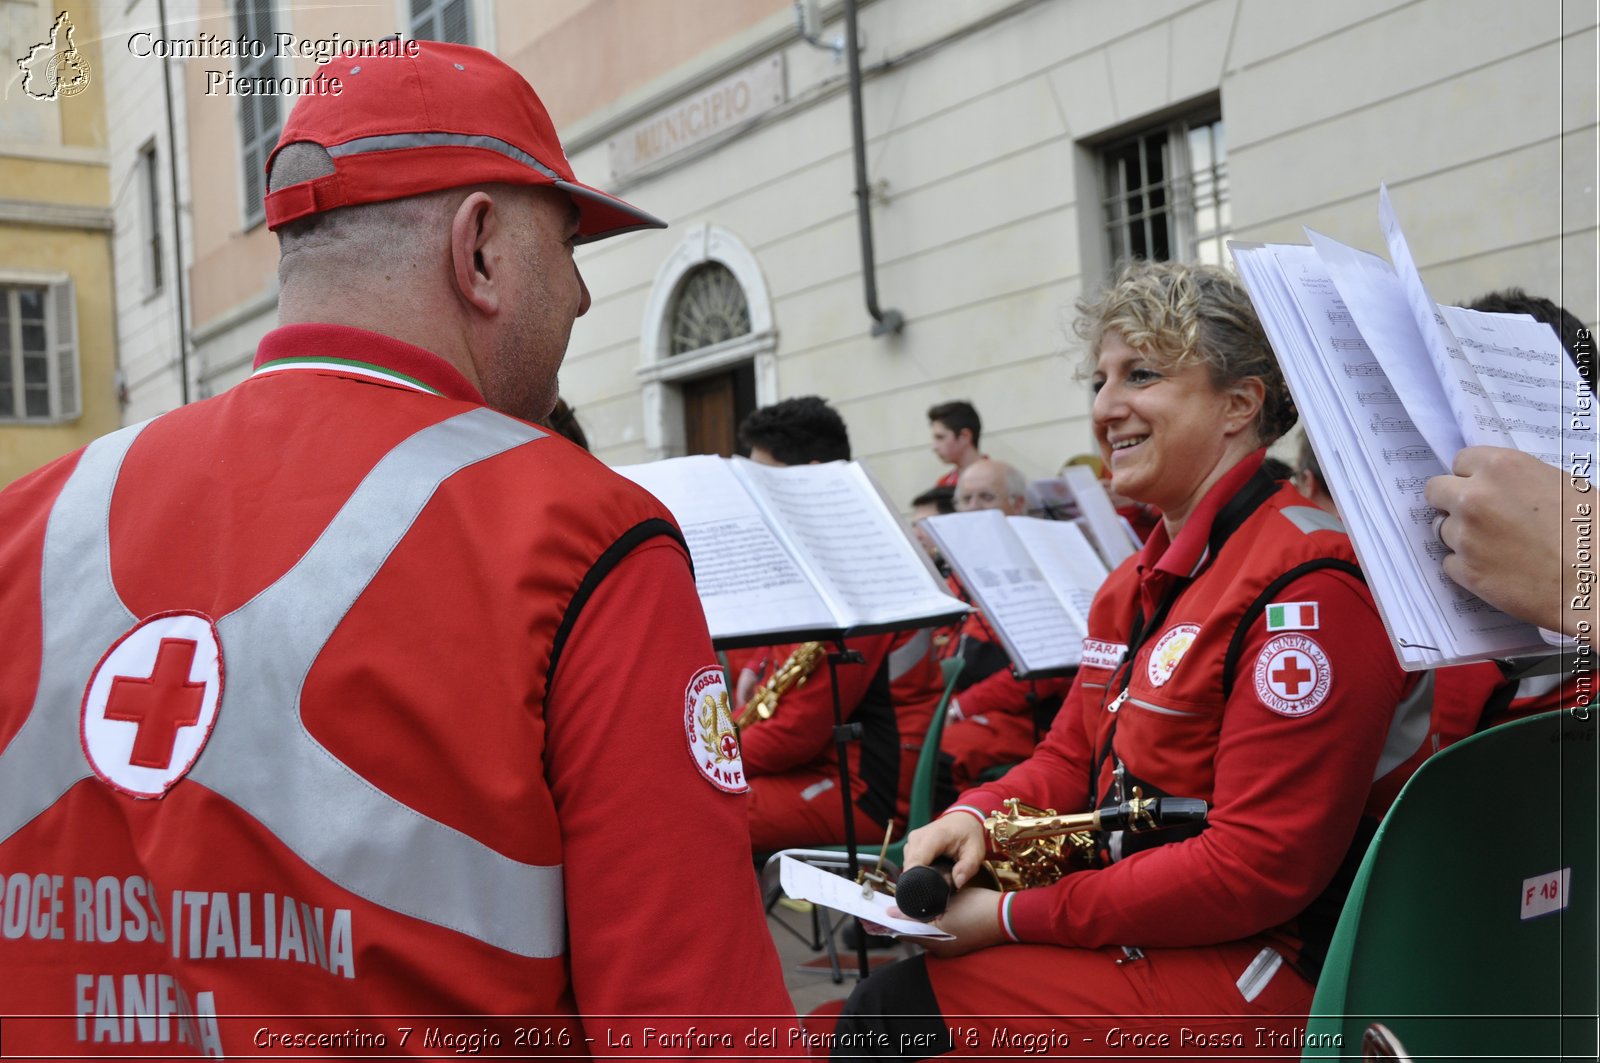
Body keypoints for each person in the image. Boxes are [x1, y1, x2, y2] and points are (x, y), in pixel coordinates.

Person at [0, 42, 795, 1056]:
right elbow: (696, 1025)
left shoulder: (31, 520)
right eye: (569, 246)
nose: (584, 299)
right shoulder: (582, 531)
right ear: (480, 251)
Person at [833, 260, 1420, 1058]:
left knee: (888, 1016)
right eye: (1101, 379)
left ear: (1241, 405)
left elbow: (1253, 869)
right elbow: (1070, 755)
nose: (1107, 407)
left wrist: (1011, 915)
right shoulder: (1132, 583)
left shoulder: (1308, 586)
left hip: (1275, 974)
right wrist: (977, 816)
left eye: (1142, 373)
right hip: (1164, 930)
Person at [729, 397, 946, 851]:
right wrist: (753, 667)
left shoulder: (864, 567)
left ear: (808, 477)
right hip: (822, 766)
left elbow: (797, 733)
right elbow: (785, 662)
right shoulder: (829, 553)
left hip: (864, 793)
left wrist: (707, 761)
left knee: (692, 812)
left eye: (761, 480)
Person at [939, 459, 1071, 789]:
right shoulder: (959, 570)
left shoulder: (1041, 566)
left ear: (1018, 504)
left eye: (986, 498)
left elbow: (1050, 666)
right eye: (966, 500)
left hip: (1026, 716)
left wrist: (961, 707)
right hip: (963, 704)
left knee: (937, 759)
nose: (973, 510)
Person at [928, 401, 985, 489]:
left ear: (964, 436)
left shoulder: (1000, 478)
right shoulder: (943, 485)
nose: (934, 447)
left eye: (940, 437)